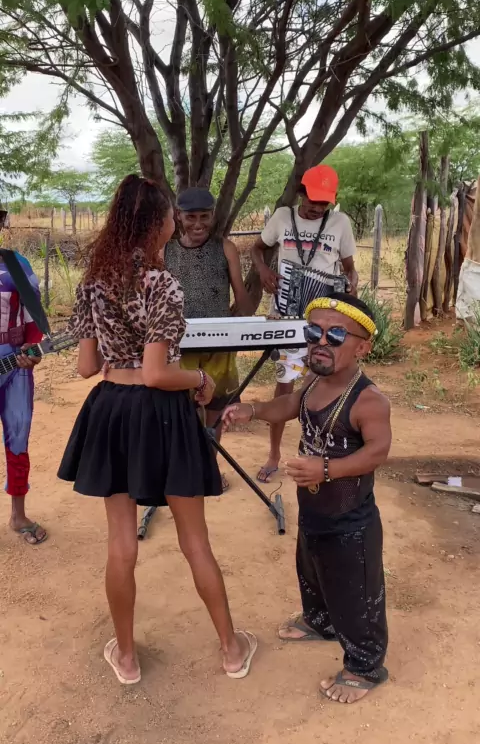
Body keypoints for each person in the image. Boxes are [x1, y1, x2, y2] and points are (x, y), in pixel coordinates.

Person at [58, 175, 256, 685]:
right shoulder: (160, 283)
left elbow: (86, 367)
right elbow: (156, 374)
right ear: (156, 224)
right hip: (162, 413)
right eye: (169, 213)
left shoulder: (94, 281)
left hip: (112, 411)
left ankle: (126, 658)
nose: (175, 220)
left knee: (121, 544)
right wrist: (200, 381)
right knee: (195, 541)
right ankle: (231, 650)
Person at [223, 293, 390, 704]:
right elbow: (289, 404)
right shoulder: (314, 384)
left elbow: (377, 452)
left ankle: (365, 666)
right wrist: (253, 410)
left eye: (336, 335)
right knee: (312, 570)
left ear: (362, 347)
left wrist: (327, 469)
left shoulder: (368, 400)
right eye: (314, 332)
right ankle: (320, 621)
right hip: (315, 510)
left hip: (351, 521)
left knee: (354, 592)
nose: (321, 342)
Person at [251, 164, 359, 483]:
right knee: (285, 383)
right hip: (286, 313)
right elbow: (258, 249)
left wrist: (352, 283)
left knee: (321, 384)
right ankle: (274, 454)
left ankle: (317, 454)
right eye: (313, 200)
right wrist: (263, 271)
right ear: (301, 193)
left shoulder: (340, 223)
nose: (317, 208)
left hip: (323, 319)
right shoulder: (283, 217)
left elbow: (350, 267)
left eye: (324, 203)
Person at [165, 187, 253, 490]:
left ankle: (209, 467)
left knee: (215, 411)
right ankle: (187, 470)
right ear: (178, 216)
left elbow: (241, 297)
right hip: (179, 346)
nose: (198, 224)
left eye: (204, 217)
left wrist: (240, 322)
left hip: (219, 345)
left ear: (213, 216)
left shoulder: (225, 248)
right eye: (191, 217)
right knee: (183, 409)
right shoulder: (165, 251)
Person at [0, 213, 46, 545]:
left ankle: (18, 515)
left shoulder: (16, 265)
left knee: (18, 438)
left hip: (14, 367)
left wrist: (33, 350)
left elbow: (33, 317)